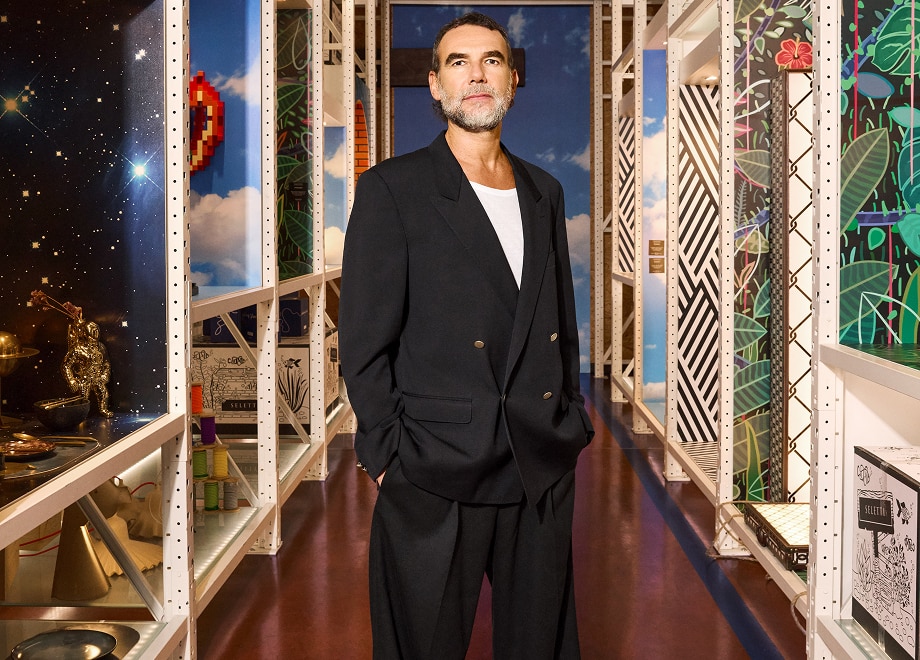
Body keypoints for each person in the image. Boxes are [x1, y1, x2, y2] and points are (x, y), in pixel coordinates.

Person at [339, 12, 594, 659]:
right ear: (434, 85)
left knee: (540, 646)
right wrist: (385, 454)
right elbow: (363, 339)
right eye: (458, 62)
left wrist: (571, 422)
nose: (476, 75)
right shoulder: (393, 190)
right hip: (433, 466)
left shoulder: (545, 190)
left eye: (492, 61)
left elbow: (558, 317)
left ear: (512, 79)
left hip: (537, 462)